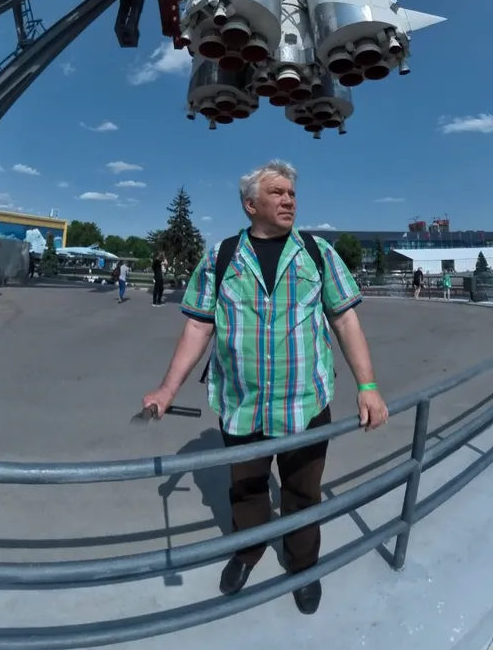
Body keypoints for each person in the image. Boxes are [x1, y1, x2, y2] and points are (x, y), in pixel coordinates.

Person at [142, 160, 388, 615]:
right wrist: (167, 389)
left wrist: (368, 385)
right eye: (277, 193)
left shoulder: (317, 253)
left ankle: (302, 567)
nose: (289, 200)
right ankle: (247, 552)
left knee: (301, 492)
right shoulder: (221, 256)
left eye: (292, 193)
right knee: (248, 489)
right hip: (241, 406)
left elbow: (345, 318)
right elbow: (198, 327)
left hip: (305, 406)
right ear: (250, 204)